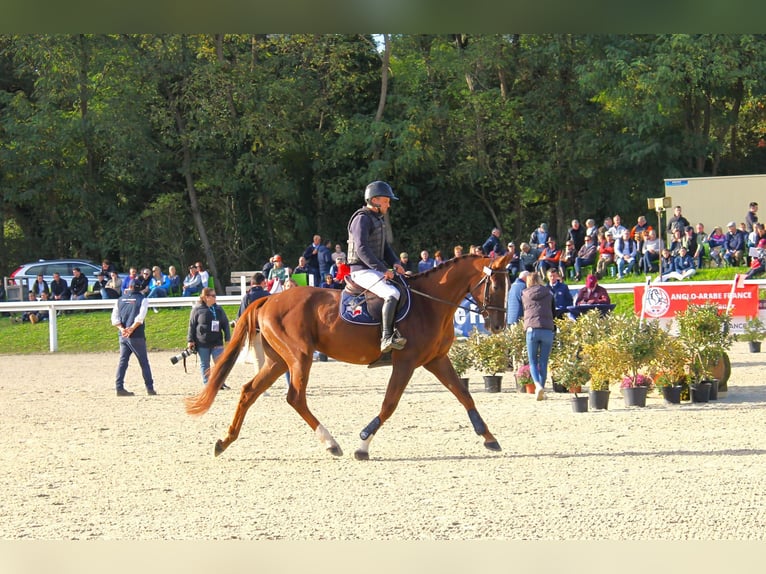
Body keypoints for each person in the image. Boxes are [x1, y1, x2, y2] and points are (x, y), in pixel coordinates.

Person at [347, 180, 407, 353]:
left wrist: (395, 262)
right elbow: (362, 248)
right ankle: (386, 337)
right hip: (361, 271)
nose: (389, 204)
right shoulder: (362, 219)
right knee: (392, 293)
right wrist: (383, 270)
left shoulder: (377, 219)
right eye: (386, 201)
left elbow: (385, 248)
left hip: (372, 269)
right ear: (375, 200)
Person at [111, 277, 157, 396]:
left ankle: (119, 387)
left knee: (123, 362)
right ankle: (149, 388)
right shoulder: (142, 299)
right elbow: (140, 317)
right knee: (143, 362)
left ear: (129, 287)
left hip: (123, 335)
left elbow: (114, 318)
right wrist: (131, 329)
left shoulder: (120, 299)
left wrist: (123, 329)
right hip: (136, 335)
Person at [187, 287, 232, 388]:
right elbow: (192, 325)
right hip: (202, 342)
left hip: (217, 341)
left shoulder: (219, 309)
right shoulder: (197, 309)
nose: (215, 298)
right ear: (206, 297)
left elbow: (225, 324)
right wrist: (190, 340)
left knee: (220, 364)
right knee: (205, 364)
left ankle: (220, 382)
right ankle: (207, 383)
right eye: (213, 296)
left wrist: (228, 338)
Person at [521, 272, 555, 401]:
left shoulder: (524, 294)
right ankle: (542, 388)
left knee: (533, 361)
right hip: (547, 328)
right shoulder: (548, 292)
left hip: (531, 328)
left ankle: (537, 385)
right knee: (543, 361)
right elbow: (554, 309)